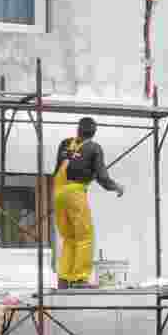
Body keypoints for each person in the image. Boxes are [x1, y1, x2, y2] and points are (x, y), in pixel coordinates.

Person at [53, 117, 124, 288]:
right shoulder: (94, 148)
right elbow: (102, 177)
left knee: (69, 237)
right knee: (84, 237)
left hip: (58, 192)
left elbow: (58, 168)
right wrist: (115, 187)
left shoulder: (65, 144)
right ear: (94, 132)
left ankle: (64, 279)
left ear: (78, 130)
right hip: (75, 192)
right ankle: (80, 278)